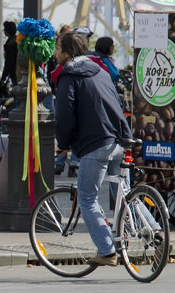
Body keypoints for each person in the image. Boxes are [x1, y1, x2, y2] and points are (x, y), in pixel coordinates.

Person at [53, 31, 133, 266]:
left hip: (96, 143)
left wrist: (64, 145)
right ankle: (156, 232)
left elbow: (65, 116)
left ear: (67, 53)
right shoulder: (101, 71)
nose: (55, 53)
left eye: (58, 48)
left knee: (86, 198)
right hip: (120, 138)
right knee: (125, 195)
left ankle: (107, 251)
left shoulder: (69, 75)